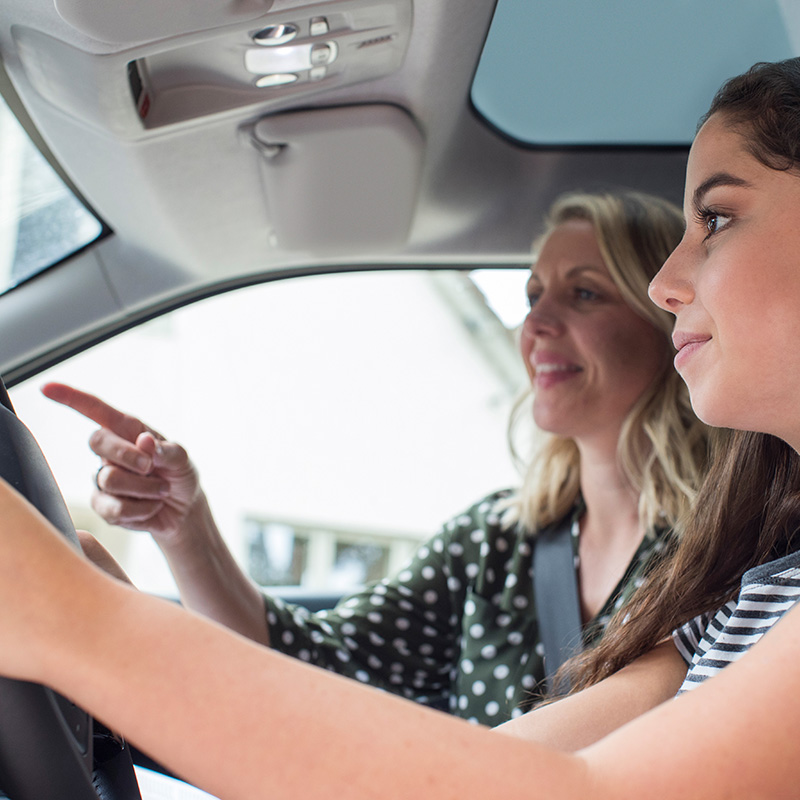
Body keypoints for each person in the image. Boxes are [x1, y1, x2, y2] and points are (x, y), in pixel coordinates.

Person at [2, 56, 800, 800]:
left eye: (719, 220)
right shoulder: (733, 593)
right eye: (531, 298)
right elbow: (522, 764)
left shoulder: (728, 568)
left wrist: (81, 625)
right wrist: (108, 610)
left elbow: (575, 792)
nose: (670, 284)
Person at [41, 190, 709, 723]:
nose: (534, 325)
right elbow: (312, 667)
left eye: (584, 292)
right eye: (533, 296)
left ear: (668, 320)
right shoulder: (496, 542)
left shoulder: (729, 549)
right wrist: (184, 529)